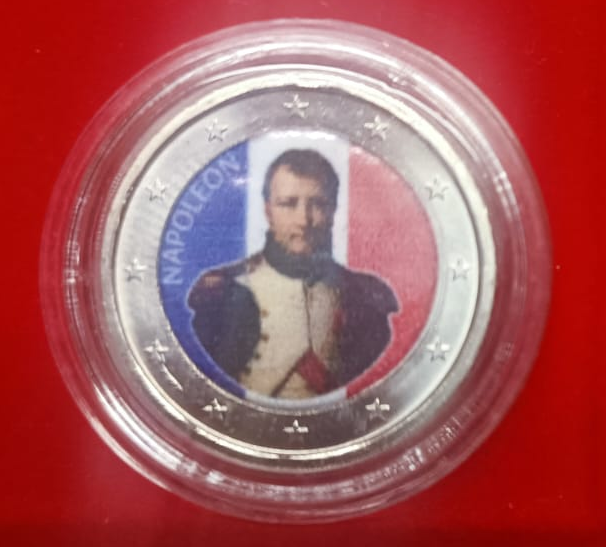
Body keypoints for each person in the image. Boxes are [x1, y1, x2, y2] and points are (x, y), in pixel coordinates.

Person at [188, 149, 398, 399]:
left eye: (318, 204)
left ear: (333, 211)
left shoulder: (365, 296)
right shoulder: (223, 292)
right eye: (288, 204)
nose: (303, 220)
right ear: (268, 211)